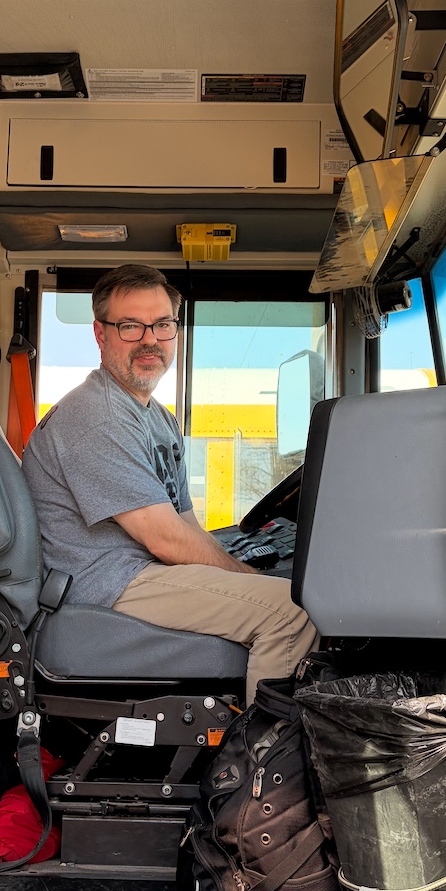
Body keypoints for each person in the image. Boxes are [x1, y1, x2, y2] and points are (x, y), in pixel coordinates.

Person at [21, 263, 318, 705]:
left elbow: (185, 526)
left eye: (161, 325)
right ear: (100, 335)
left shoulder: (158, 418)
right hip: (106, 583)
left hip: (139, 572)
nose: (149, 340)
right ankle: (262, 760)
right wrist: (248, 574)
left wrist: (243, 567)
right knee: (291, 611)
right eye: (130, 326)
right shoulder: (96, 414)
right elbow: (166, 540)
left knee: (277, 588)